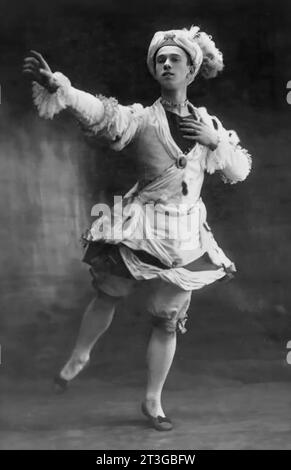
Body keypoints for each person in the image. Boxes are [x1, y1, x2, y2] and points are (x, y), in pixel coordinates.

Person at [23, 26, 252, 431]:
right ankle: (80, 354)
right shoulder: (142, 118)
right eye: (160, 59)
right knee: (110, 291)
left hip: (185, 233)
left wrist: (214, 140)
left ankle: (153, 402)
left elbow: (237, 171)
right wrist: (62, 87)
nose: (166, 64)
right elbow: (100, 113)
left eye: (174, 59)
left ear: (190, 71)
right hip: (143, 224)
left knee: (167, 317)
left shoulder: (207, 124)